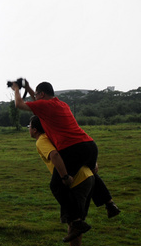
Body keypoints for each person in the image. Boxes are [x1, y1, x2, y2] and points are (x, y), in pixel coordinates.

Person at [12, 81, 120, 230]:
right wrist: (29, 88)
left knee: (56, 185)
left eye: (37, 94)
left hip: (73, 148)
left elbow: (18, 104)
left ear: (42, 94)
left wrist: (16, 89)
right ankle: (110, 204)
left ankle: (75, 221)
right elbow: (38, 102)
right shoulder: (61, 104)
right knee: (92, 175)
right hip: (90, 145)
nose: (35, 98)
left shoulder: (45, 106)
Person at [29, 116, 93, 246]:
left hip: (77, 180)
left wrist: (65, 177)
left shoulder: (42, 140)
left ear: (35, 129)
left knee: (74, 218)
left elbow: (55, 155)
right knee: (77, 217)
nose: (29, 129)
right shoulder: (54, 135)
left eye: (30, 126)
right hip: (86, 176)